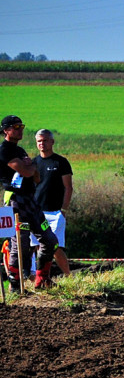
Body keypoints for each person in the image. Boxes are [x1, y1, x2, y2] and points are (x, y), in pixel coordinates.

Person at [0, 115, 58, 289]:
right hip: (15, 202)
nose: (20, 129)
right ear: (6, 130)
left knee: (50, 240)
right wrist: (31, 166)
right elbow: (27, 172)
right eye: (16, 126)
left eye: (22, 126)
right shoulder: (4, 150)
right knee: (20, 245)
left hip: (31, 200)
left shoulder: (20, 150)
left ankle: (42, 279)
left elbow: (37, 178)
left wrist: (30, 167)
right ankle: (15, 286)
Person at [29, 129, 74, 277]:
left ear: (52, 141)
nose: (42, 143)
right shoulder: (33, 163)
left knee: (55, 247)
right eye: (39, 141)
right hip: (36, 213)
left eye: (45, 140)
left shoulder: (61, 162)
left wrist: (64, 210)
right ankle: (42, 279)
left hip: (55, 212)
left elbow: (68, 187)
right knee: (37, 247)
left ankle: (69, 276)